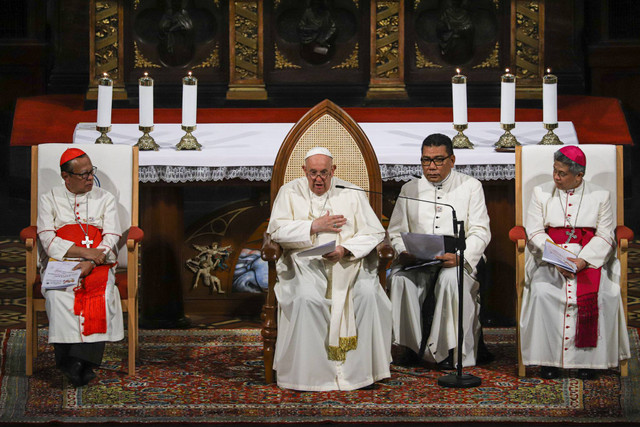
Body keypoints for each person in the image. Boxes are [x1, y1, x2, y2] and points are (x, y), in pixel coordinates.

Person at [266, 147, 392, 391]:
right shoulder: (289, 192)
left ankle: (361, 374)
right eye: (313, 173)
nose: (319, 179)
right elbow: (276, 232)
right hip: (304, 263)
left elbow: (376, 232)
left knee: (367, 296)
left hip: (349, 263)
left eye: (324, 172)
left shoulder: (352, 192)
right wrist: (313, 226)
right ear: (304, 170)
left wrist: (345, 249)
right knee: (306, 299)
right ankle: (308, 376)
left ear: (333, 171)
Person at [520, 145, 630, 380]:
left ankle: (589, 362)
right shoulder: (541, 193)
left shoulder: (600, 195)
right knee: (542, 292)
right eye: (554, 171)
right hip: (550, 257)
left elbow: (605, 235)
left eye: (562, 173)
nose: (556, 177)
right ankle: (547, 361)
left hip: (588, 257)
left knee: (606, 295)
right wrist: (556, 257)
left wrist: (583, 261)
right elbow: (535, 231)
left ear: (579, 175)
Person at [387, 133, 491, 368]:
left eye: (438, 160)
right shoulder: (409, 188)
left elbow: (481, 231)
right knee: (400, 280)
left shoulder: (471, 186)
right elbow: (395, 231)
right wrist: (404, 251)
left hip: (455, 256)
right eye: (426, 160)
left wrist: (460, 257)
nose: (431, 167)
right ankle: (413, 348)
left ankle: (448, 351)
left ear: (452, 160)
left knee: (450, 282)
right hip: (419, 257)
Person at [37, 148, 124, 387]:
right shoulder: (49, 198)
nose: (90, 178)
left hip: (98, 263)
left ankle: (78, 362)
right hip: (62, 262)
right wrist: (85, 253)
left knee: (101, 296)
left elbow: (112, 234)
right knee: (57, 295)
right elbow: (47, 239)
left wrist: (91, 261)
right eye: (83, 174)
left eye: (91, 171)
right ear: (66, 176)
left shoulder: (104, 198)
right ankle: (74, 364)